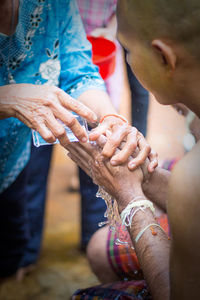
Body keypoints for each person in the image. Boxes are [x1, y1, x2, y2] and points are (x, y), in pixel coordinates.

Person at [0, 0, 156, 279]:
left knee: (10, 254)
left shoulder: (49, 4)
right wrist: (8, 98)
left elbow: (79, 71)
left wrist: (111, 120)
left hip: (12, 162)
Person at [67, 0, 200, 299]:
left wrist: (130, 197)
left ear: (163, 57)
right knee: (101, 247)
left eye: (126, 49)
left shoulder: (191, 177)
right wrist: (144, 177)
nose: (126, 61)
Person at [77, 0, 149, 250]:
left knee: (99, 153)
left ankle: (95, 237)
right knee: (90, 152)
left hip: (104, 53)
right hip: (86, 69)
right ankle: (94, 238)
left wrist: (110, 115)